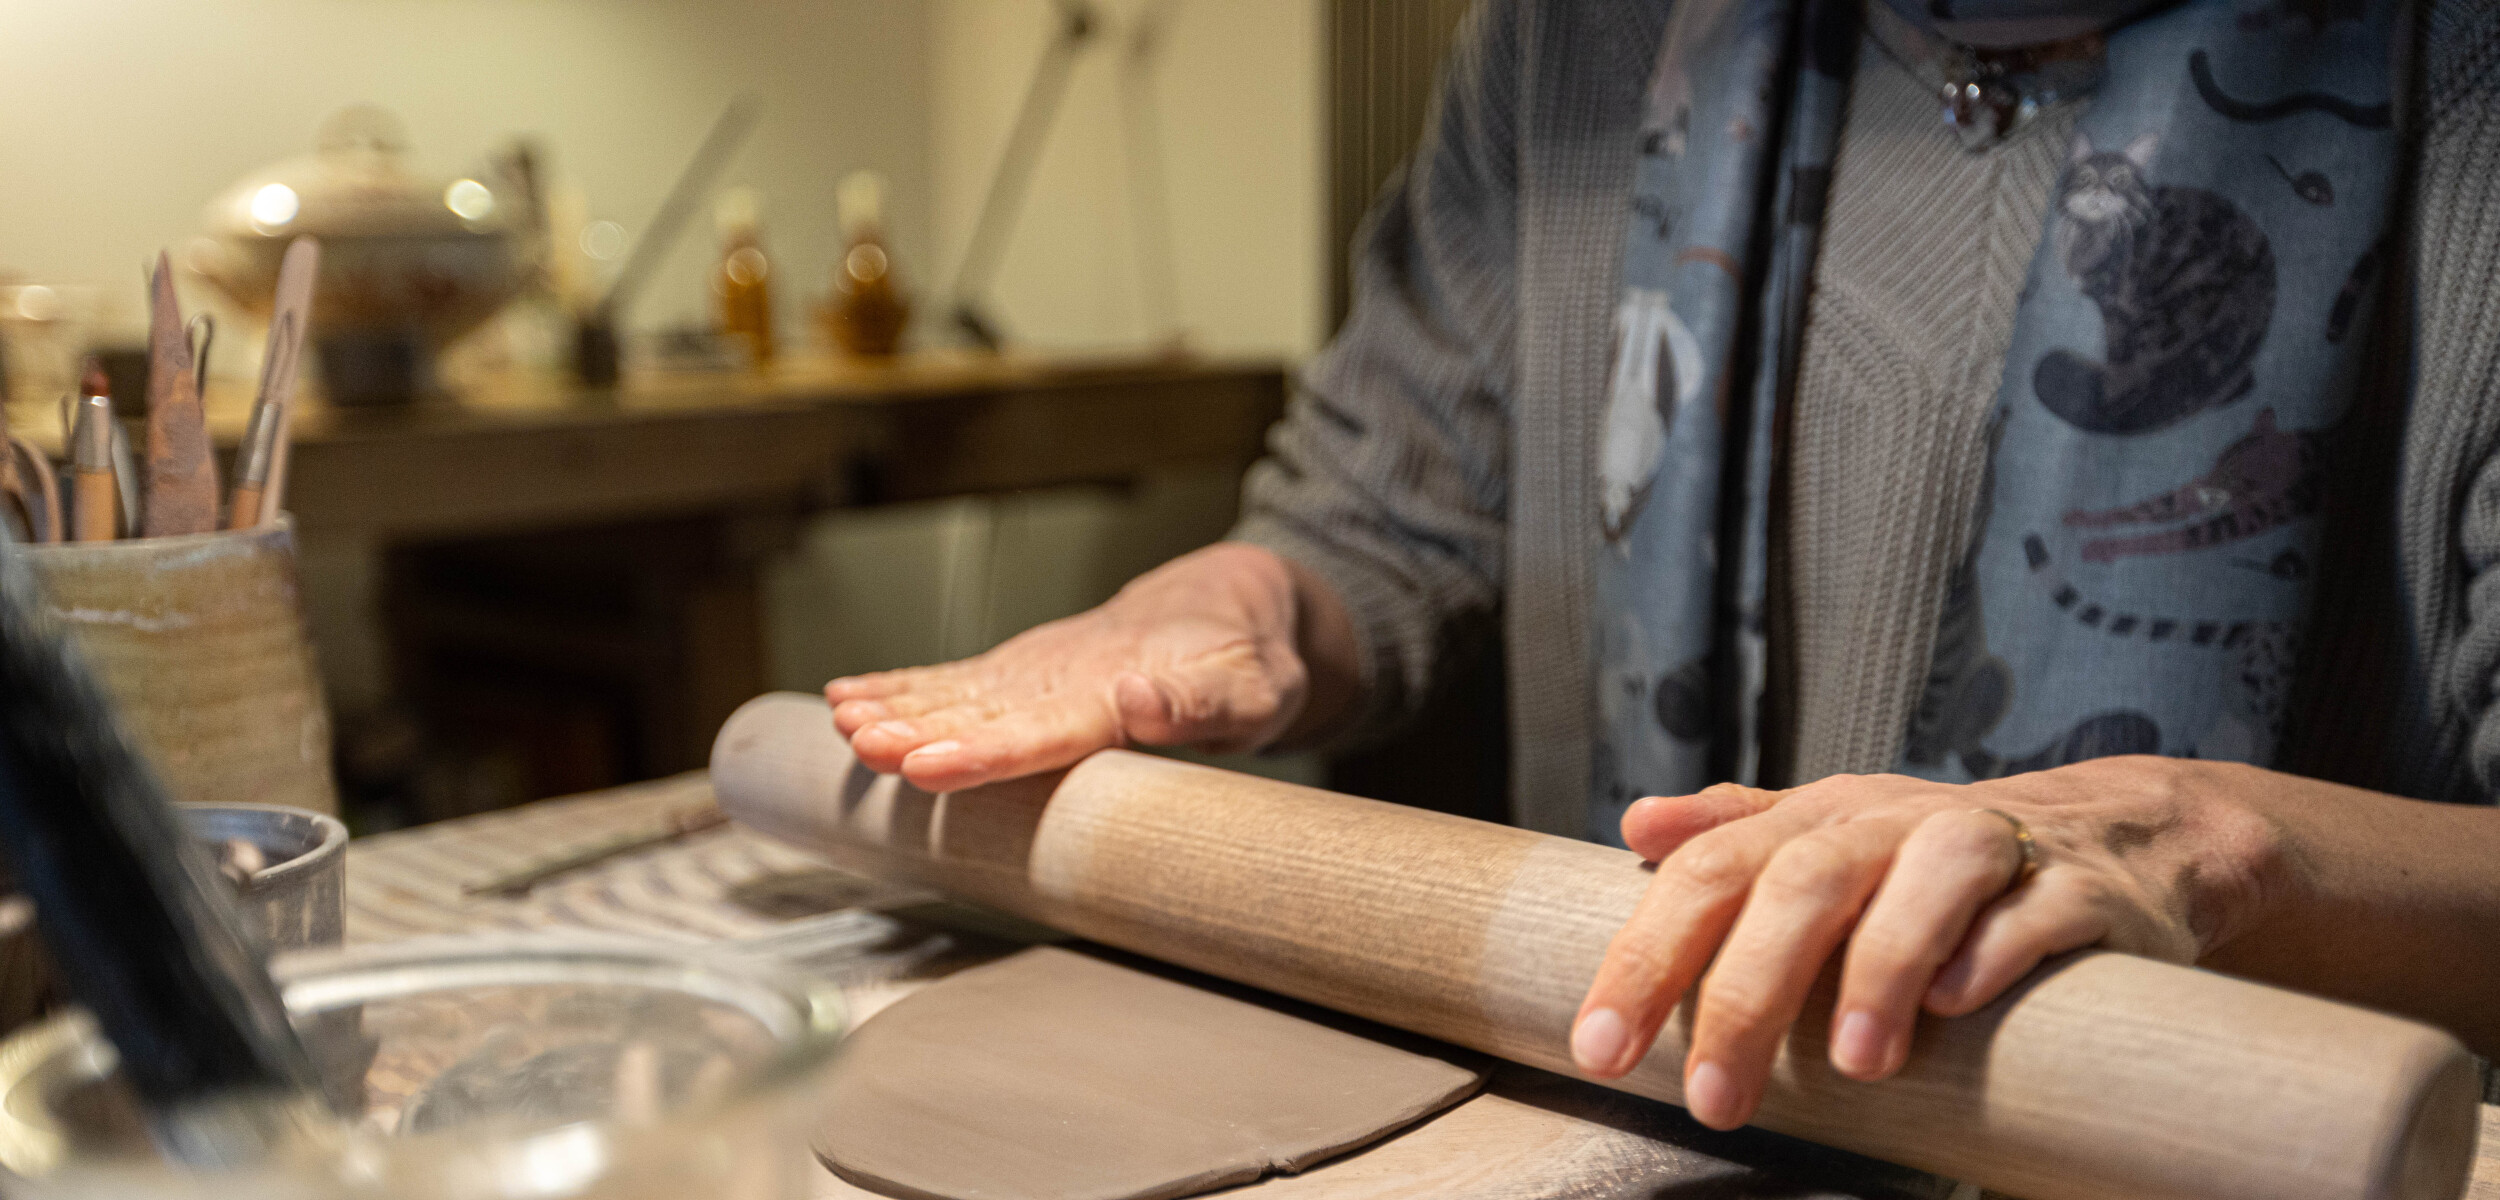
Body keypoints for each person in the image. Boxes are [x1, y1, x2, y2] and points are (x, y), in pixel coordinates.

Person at [828, 0, 2500, 1128]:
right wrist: (1237, 601)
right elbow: (1377, 511)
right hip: (1640, 1117)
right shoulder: (1581, 35)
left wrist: (2221, 845)